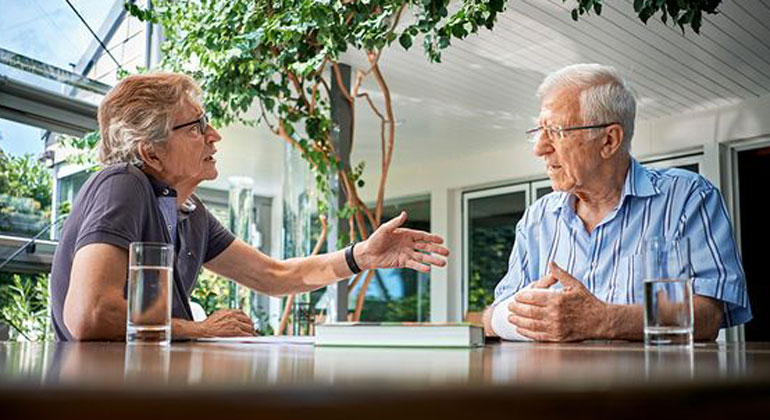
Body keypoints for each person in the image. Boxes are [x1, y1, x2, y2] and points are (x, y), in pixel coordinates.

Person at [50, 73, 450, 341]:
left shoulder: (189, 213)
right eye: (197, 127)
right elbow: (89, 314)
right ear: (151, 153)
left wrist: (362, 255)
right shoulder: (123, 183)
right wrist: (199, 329)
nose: (214, 135)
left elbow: (273, 276)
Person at [482, 64, 751, 342]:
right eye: (539, 131)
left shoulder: (688, 197)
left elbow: (709, 316)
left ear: (609, 140)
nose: (539, 148)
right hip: (555, 385)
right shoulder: (537, 218)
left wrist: (603, 319)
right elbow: (491, 319)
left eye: (556, 132)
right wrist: (516, 313)